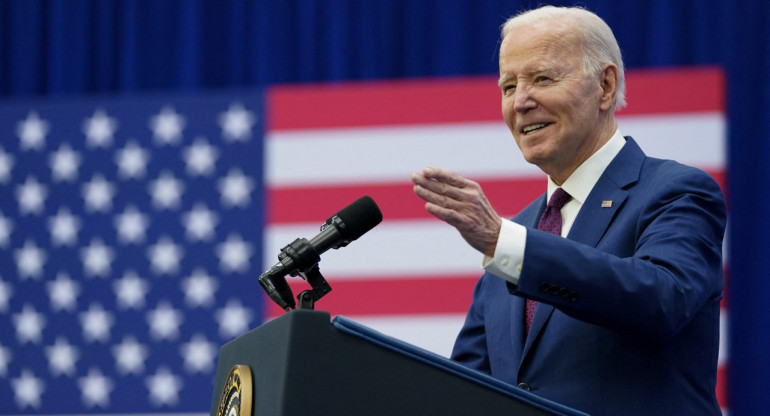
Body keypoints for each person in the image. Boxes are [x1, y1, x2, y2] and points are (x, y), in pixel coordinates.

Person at [411, 6, 726, 416]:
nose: (520, 102)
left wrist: (502, 242)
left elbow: (662, 299)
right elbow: (468, 387)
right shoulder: (516, 234)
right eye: (508, 86)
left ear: (606, 86)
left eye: (542, 78)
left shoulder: (676, 192)